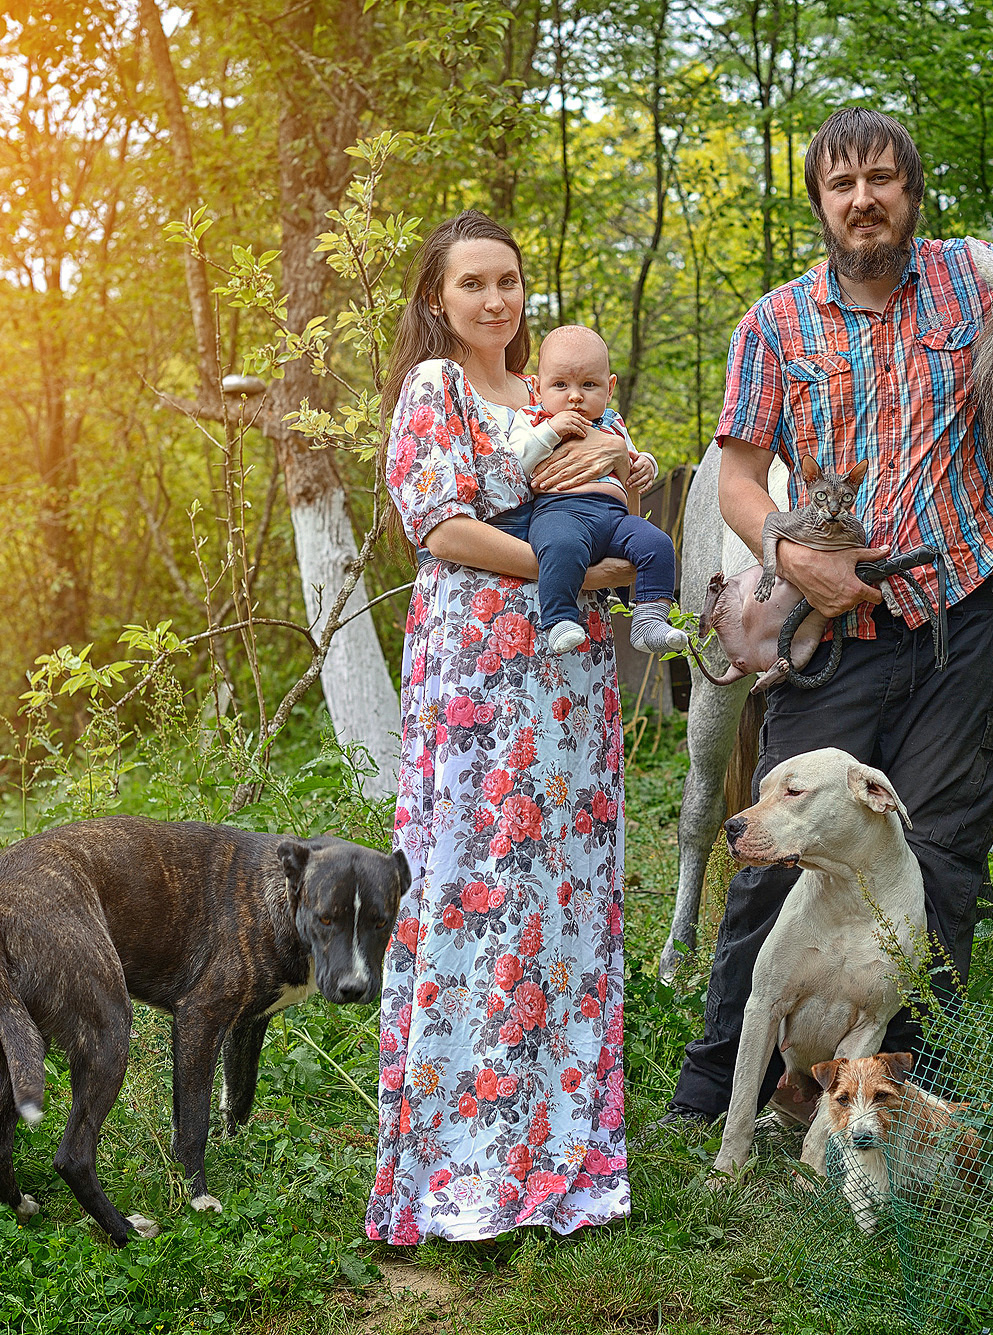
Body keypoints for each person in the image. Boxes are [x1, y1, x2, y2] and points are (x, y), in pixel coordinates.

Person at [665, 108, 993, 1129]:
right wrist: (793, 561)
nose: (863, 200)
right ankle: (711, 1095)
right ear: (820, 203)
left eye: (881, 179)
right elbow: (737, 480)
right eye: (841, 184)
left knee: (944, 855)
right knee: (773, 852)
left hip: (956, 622)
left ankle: (913, 1090)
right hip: (832, 645)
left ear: (912, 190)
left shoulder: (976, 284)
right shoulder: (774, 324)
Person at [367, 210, 647, 1244]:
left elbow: (620, 481)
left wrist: (626, 475)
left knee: (561, 900)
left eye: (508, 281)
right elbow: (440, 526)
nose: (495, 300)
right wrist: (575, 572)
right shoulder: (434, 389)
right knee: (472, 894)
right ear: (437, 300)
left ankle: (564, 1156)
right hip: (478, 682)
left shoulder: (550, 391)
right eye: (472, 283)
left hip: (567, 688)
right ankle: (461, 1169)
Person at [493, 325, 690, 656]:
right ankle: (559, 620)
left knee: (657, 544)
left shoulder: (613, 423)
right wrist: (550, 431)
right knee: (561, 548)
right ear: (538, 388)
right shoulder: (532, 419)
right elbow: (516, 463)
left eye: (589, 385)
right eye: (560, 385)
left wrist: (647, 464)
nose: (575, 396)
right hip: (560, 514)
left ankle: (649, 620)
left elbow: (631, 461)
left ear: (609, 388)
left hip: (615, 519)